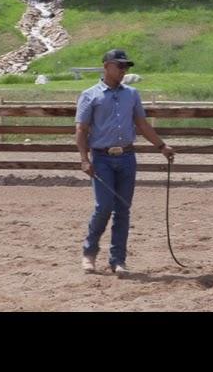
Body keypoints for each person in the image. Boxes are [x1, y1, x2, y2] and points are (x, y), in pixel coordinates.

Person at [75, 48, 174, 276]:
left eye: (126, 67)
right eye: (120, 66)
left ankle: (118, 260)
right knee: (104, 207)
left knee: (123, 210)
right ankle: (89, 252)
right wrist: (84, 159)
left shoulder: (132, 94)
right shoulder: (90, 95)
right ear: (106, 66)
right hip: (102, 158)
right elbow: (81, 129)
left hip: (127, 157)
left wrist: (162, 146)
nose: (124, 70)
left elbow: (142, 124)